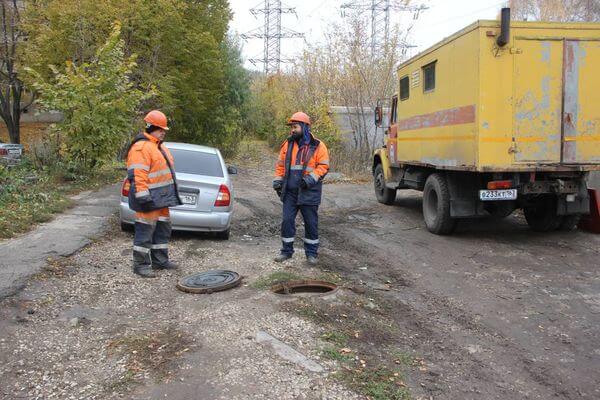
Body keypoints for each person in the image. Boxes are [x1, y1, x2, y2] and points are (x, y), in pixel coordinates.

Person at [125, 110, 182, 278]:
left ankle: (160, 261)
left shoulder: (159, 146)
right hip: (149, 199)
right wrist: (143, 197)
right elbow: (138, 174)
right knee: (145, 231)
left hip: (162, 199)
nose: (163, 132)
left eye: (164, 129)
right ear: (150, 128)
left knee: (162, 230)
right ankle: (141, 265)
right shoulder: (141, 148)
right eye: (160, 129)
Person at [272, 112, 330, 265]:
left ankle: (311, 254)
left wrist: (309, 180)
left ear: (304, 127)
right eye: (291, 127)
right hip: (290, 192)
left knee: (311, 224)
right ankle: (286, 252)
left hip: (309, 192)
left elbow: (323, 166)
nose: (292, 130)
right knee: (287, 221)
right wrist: (277, 181)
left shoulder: (318, 145)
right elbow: (280, 166)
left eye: (295, 126)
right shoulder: (287, 144)